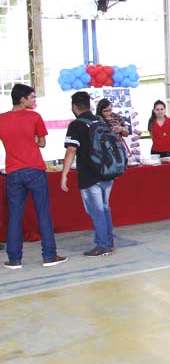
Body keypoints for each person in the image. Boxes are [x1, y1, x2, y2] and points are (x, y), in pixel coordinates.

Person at [0, 84, 67, 269]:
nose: (34, 101)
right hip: (35, 170)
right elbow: (42, 142)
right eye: (32, 98)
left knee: (14, 216)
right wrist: (35, 140)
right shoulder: (34, 117)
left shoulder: (1, 119)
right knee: (43, 213)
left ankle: (14, 259)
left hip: (13, 172)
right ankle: (49, 255)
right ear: (23, 100)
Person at [62, 91, 117, 257]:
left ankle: (102, 245)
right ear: (90, 105)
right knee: (105, 208)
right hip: (107, 173)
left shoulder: (76, 125)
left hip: (89, 175)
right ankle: (108, 241)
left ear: (74, 107)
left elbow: (71, 150)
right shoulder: (99, 121)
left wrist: (64, 174)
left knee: (96, 211)